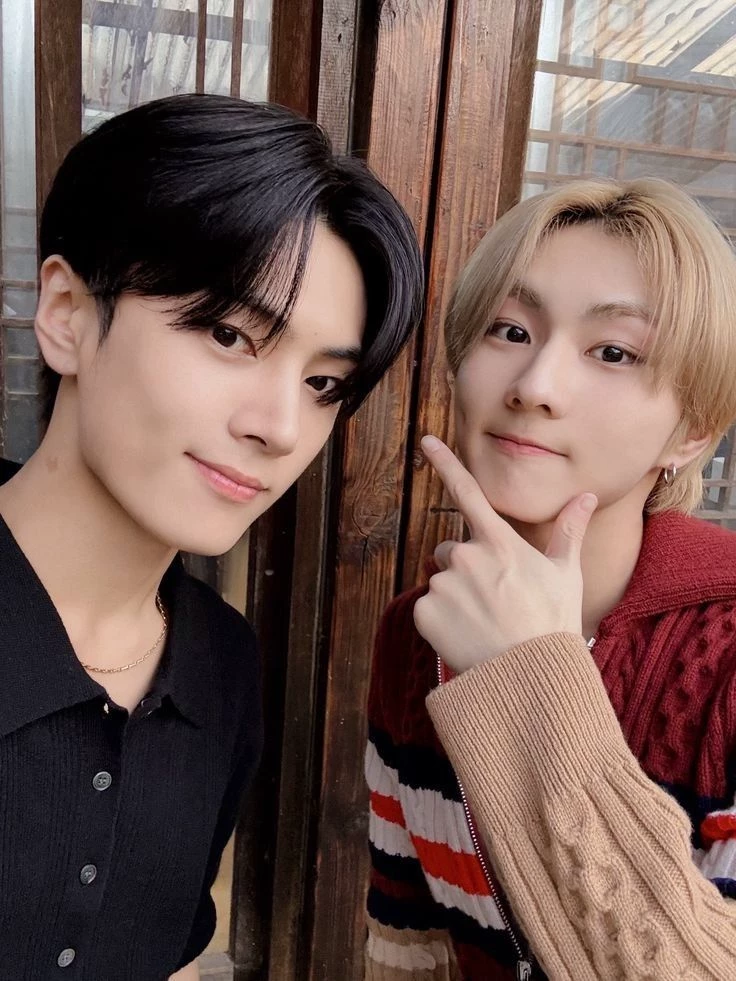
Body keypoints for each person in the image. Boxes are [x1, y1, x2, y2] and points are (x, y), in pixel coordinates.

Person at [0, 93, 422, 981]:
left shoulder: (220, 665)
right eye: (230, 334)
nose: (279, 427)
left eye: (322, 384)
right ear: (68, 313)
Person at [364, 178, 736, 980]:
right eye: (510, 329)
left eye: (614, 352)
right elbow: (410, 942)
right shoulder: (415, 633)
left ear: (692, 429)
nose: (533, 386)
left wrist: (532, 678)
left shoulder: (726, 656)